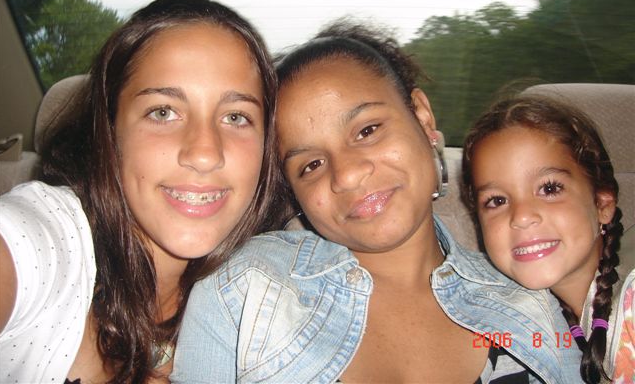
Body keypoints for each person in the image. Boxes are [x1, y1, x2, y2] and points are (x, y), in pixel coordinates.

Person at [172, 21, 582, 383]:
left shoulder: (531, 305)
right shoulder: (244, 288)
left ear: (422, 117)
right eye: (311, 165)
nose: (347, 174)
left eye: (367, 130)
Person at [0, 0, 280, 383]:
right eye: (163, 112)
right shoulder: (50, 239)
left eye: (236, 117)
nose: (204, 154)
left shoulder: (269, 291)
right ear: (110, 130)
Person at [460, 94, 635, 384]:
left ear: (602, 204)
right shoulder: (551, 323)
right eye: (497, 200)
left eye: (550, 188)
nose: (521, 216)